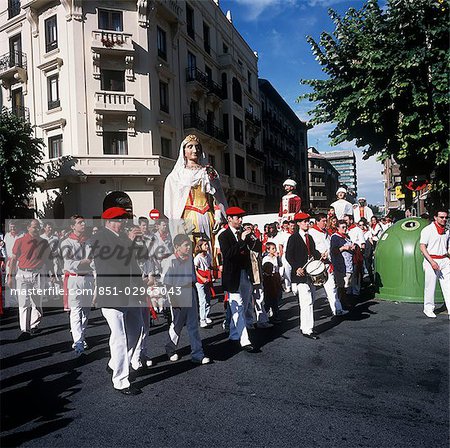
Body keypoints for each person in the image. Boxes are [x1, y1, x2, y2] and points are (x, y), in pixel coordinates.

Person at [92, 207, 145, 396]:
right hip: (112, 293)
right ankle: (121, 380)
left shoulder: (123, 237)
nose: (122, 222)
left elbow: (136, 262)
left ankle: (115, 363)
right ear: (107, 221)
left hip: (130, 292)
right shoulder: (100, 238)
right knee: (119, 337)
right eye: (118, 219)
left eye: (123, 218)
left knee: (136, 330)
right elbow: (114, 262)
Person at [163, 134, 227, 253]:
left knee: (209, 249)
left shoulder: (208, 172)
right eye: (190, 146)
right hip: (188, 217)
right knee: (190, 249)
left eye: (197, 147)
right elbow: (172, 204)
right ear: (184, 151)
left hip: (208, 216)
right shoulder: (176, 175)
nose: (195, 150)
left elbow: (217, 197)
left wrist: (218, 214)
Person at [162, 233, 210, 364]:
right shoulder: (170, 261)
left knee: (193, 325)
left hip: (190, 291)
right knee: (177, 324)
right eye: (185, 245)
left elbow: (193, 278)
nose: (188, 247)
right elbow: (166, 282)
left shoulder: (190, 258)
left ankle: (197, 353)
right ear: (177, 247)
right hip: (177, 293)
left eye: (189, 244)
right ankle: (170, 348)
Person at [7, 219, 55, 339]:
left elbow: (48, 260)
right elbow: (13, 259)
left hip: (38, 274)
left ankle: (34, 324)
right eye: (34, 227)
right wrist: (10, 276)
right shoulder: (20, 241)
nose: (37, 229)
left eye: (38, 227)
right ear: (28, 227)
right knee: (24, 302)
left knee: (37, 302)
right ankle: (25, 329)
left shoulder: (43, 242)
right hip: (23, 274)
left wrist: (52, 273)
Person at [218, 207, 256, 352]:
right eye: (237, 217)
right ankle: (245, 340)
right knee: (238, 306)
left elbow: (255, 248)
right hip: (232, 276)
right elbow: (228, 254)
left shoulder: (243, 234)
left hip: (244, 274)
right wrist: (241, 241)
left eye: (241, 217)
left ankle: (234, 334)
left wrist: (252, 238)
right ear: (229, 219)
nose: (240, 220)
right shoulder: (223, 236)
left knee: (244, 306)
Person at [60, 215, 94, 356]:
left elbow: (94, 261)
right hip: (74, 279)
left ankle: (82, 336)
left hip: (88, 278)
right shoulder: (66, 243)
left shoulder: (89, 241)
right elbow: (69, 264)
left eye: (83, 222)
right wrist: (83, 262)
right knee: (76, 310)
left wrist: (87, 263)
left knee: (86, 311)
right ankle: (78, 341)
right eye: (80, 223)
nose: (83, 224)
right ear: (72, 226)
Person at [286, 212, 321, 340]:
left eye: (307, 221)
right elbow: (288, 256)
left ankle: (306, 326)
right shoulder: (293, 238)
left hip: (310, 273)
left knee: (311, 299)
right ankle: (308, 329)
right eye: (304, 221)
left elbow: (313, 252)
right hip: (300, 274)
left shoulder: (309, 237)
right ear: (299, 223)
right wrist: (297, 267)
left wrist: (320, 255)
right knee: (306, 302)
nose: (307, 223)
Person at [309, 213, 347, 316]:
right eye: (323, 221)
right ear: (317, 222)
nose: (325, 223)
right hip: (316, 265)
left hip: (327, 264)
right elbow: (311, 248)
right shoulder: (311, 232)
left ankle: (337, 309)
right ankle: (309, 313)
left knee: (332, 289)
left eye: (326, 221)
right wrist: (319, 254)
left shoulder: (327, 232)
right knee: (312, 292)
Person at [419, 210, 450, 319]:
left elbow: (447, 245)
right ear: (435, 217)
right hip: (431, 260)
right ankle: (428, 308)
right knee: (430, 286)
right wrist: (432, 262)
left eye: (446, 217)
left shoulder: (447, 231)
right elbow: (422, 247)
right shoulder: (428, 230)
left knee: (448, 285)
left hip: (444, 260)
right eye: (441, 217)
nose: (444, 219)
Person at [330, 221, 355, 310]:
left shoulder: (346, 237)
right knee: (342, 285)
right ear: (338, 228)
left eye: (346, 227)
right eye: (343, 227)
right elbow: (334, 251)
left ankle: (344, 302)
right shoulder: (335, 237)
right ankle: (341, 304)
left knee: (347, 284)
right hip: (341, 265)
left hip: (348, 263)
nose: (345, 229)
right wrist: (344, 248)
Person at [193, 238, 214, 328]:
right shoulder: (198, 258)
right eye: (205, 245)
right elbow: (195, 270)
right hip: (200, 280)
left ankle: (206, 315)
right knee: (202, 299)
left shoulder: (208, 256)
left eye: (207, 244)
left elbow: (209, 267)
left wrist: (216, 270)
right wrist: (202, 278)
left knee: (208, 298)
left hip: (207, 278)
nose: (207, 246)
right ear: (200, 246)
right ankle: (202, 319)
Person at [344, 214, 365, 296]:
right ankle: (348, 290)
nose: (345, 222)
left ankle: (356, 291)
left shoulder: (357, 230)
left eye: (346, 220)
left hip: (356, 254)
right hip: (347, 254)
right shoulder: (345, 230)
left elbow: (362, 243)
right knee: (349, 272)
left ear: (351, 220)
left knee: (356, 273)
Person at [262, 242, 282, 323]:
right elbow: (265, 269)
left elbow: (280, 265)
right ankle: (268, 314)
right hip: (269, 278)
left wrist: (278, 258)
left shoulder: (275, 258)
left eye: (275, 248)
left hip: (276, 277)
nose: (275, 250)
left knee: (277, 295)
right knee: (270, 297)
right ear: (268, 250)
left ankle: (274, 313)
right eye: (272, 248)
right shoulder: (266, 258)